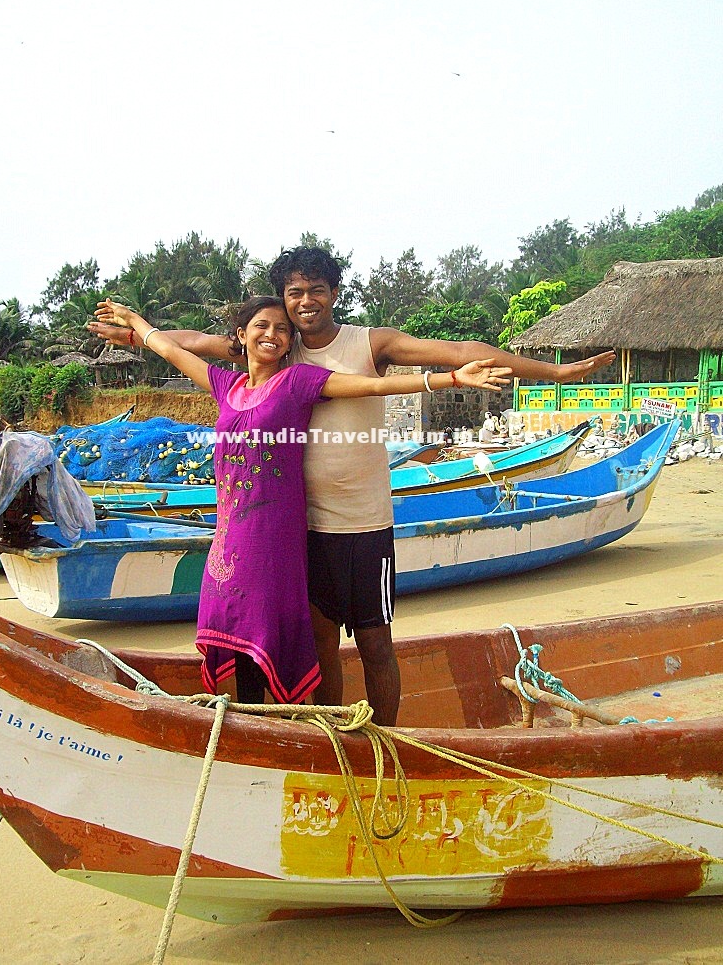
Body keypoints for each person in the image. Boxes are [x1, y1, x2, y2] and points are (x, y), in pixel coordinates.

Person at [90, 245, 616, 724]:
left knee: (375, 645)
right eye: (294, 292)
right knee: (322, 648)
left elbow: (458, 349)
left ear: (335, 293)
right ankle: (335, 735)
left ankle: (386, 739)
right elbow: (192, 344)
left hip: (365, 524)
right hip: (302, 529)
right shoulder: (279, 349)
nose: (305, 301)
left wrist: (553, 373)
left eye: (317, 290)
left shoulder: (369, 343)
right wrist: (137, 334)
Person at [95, 294, 512, 709]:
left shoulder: (296, 383)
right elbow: (171, 347)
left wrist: (449, 379)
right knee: (236, 630)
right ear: (242, 335)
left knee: (266, 631)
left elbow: (372, 384)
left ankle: (279, 722)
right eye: (262, 326)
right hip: (229, 538)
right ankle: (252, 722)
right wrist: (136, 322)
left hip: (274, 536)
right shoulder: (226, 385)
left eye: (282, 329)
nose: (272, 335)